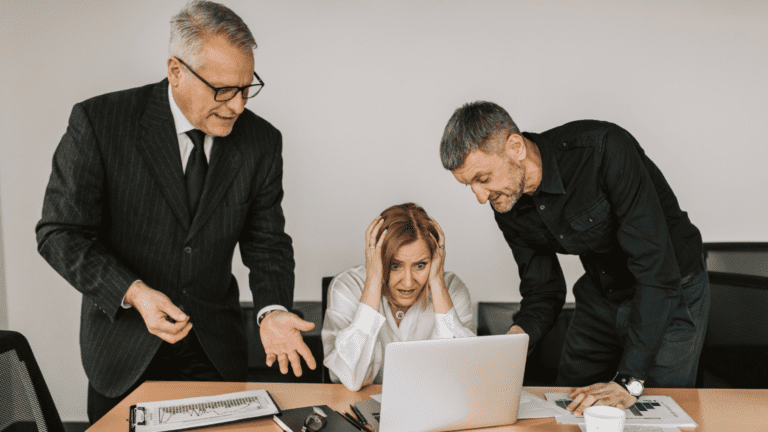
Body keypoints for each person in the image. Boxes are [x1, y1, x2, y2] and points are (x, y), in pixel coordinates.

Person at [35, 1, 314, 424]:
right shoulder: (99, 122)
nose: (237, 105)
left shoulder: (261, 141)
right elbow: (60, 232)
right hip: (123, 348)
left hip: (214, 348)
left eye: (246, 87)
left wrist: (272, 310)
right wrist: (134, 292)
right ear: (176, 71)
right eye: (222, 89)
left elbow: (267, 242)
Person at [439, 101, 709, 414]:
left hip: (670, 289)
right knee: (569, 404)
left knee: (658, 410)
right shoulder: (507, 203)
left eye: (482, 178)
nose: (480, 196)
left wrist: (630, 380)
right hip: (603, 290)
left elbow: (656, 270)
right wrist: (515, 341)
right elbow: (543, 290)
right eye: (469, 185)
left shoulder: (604, 150)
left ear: (514, 147)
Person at [322, 203, 475, 391]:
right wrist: (374, 281)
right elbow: (348, 377)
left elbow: (461, 375)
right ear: (377, 259)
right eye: (395, 265)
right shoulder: (348, 287)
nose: (409, 282)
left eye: (420, 265)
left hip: (431, 408)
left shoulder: (451, 289)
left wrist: (436, 281)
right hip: (363, 408)